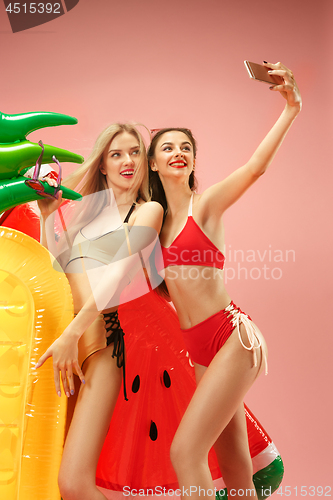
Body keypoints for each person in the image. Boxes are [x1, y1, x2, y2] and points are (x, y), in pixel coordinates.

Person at [147, 62, 301, 500]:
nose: (178, 152)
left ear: (192, 159)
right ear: (154, 164)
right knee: (234, 463)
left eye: (186, 147)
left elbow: (256, 167)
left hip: (232, 337)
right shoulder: (153, 224)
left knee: (185, 452)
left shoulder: (206, 205)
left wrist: (291, 108)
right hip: (197, 348)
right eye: (168, 148)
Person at [35, 123, 163, 500]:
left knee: (73, 483)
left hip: (105, 346)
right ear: (103, 165)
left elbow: (115, 280)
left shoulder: (148, 211)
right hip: (67, 347)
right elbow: (58, 269)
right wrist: (46, 216)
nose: (128, 161)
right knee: (58, 480)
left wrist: (72, 333)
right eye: (116, 154)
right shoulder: (87, 218)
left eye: (136, 152)